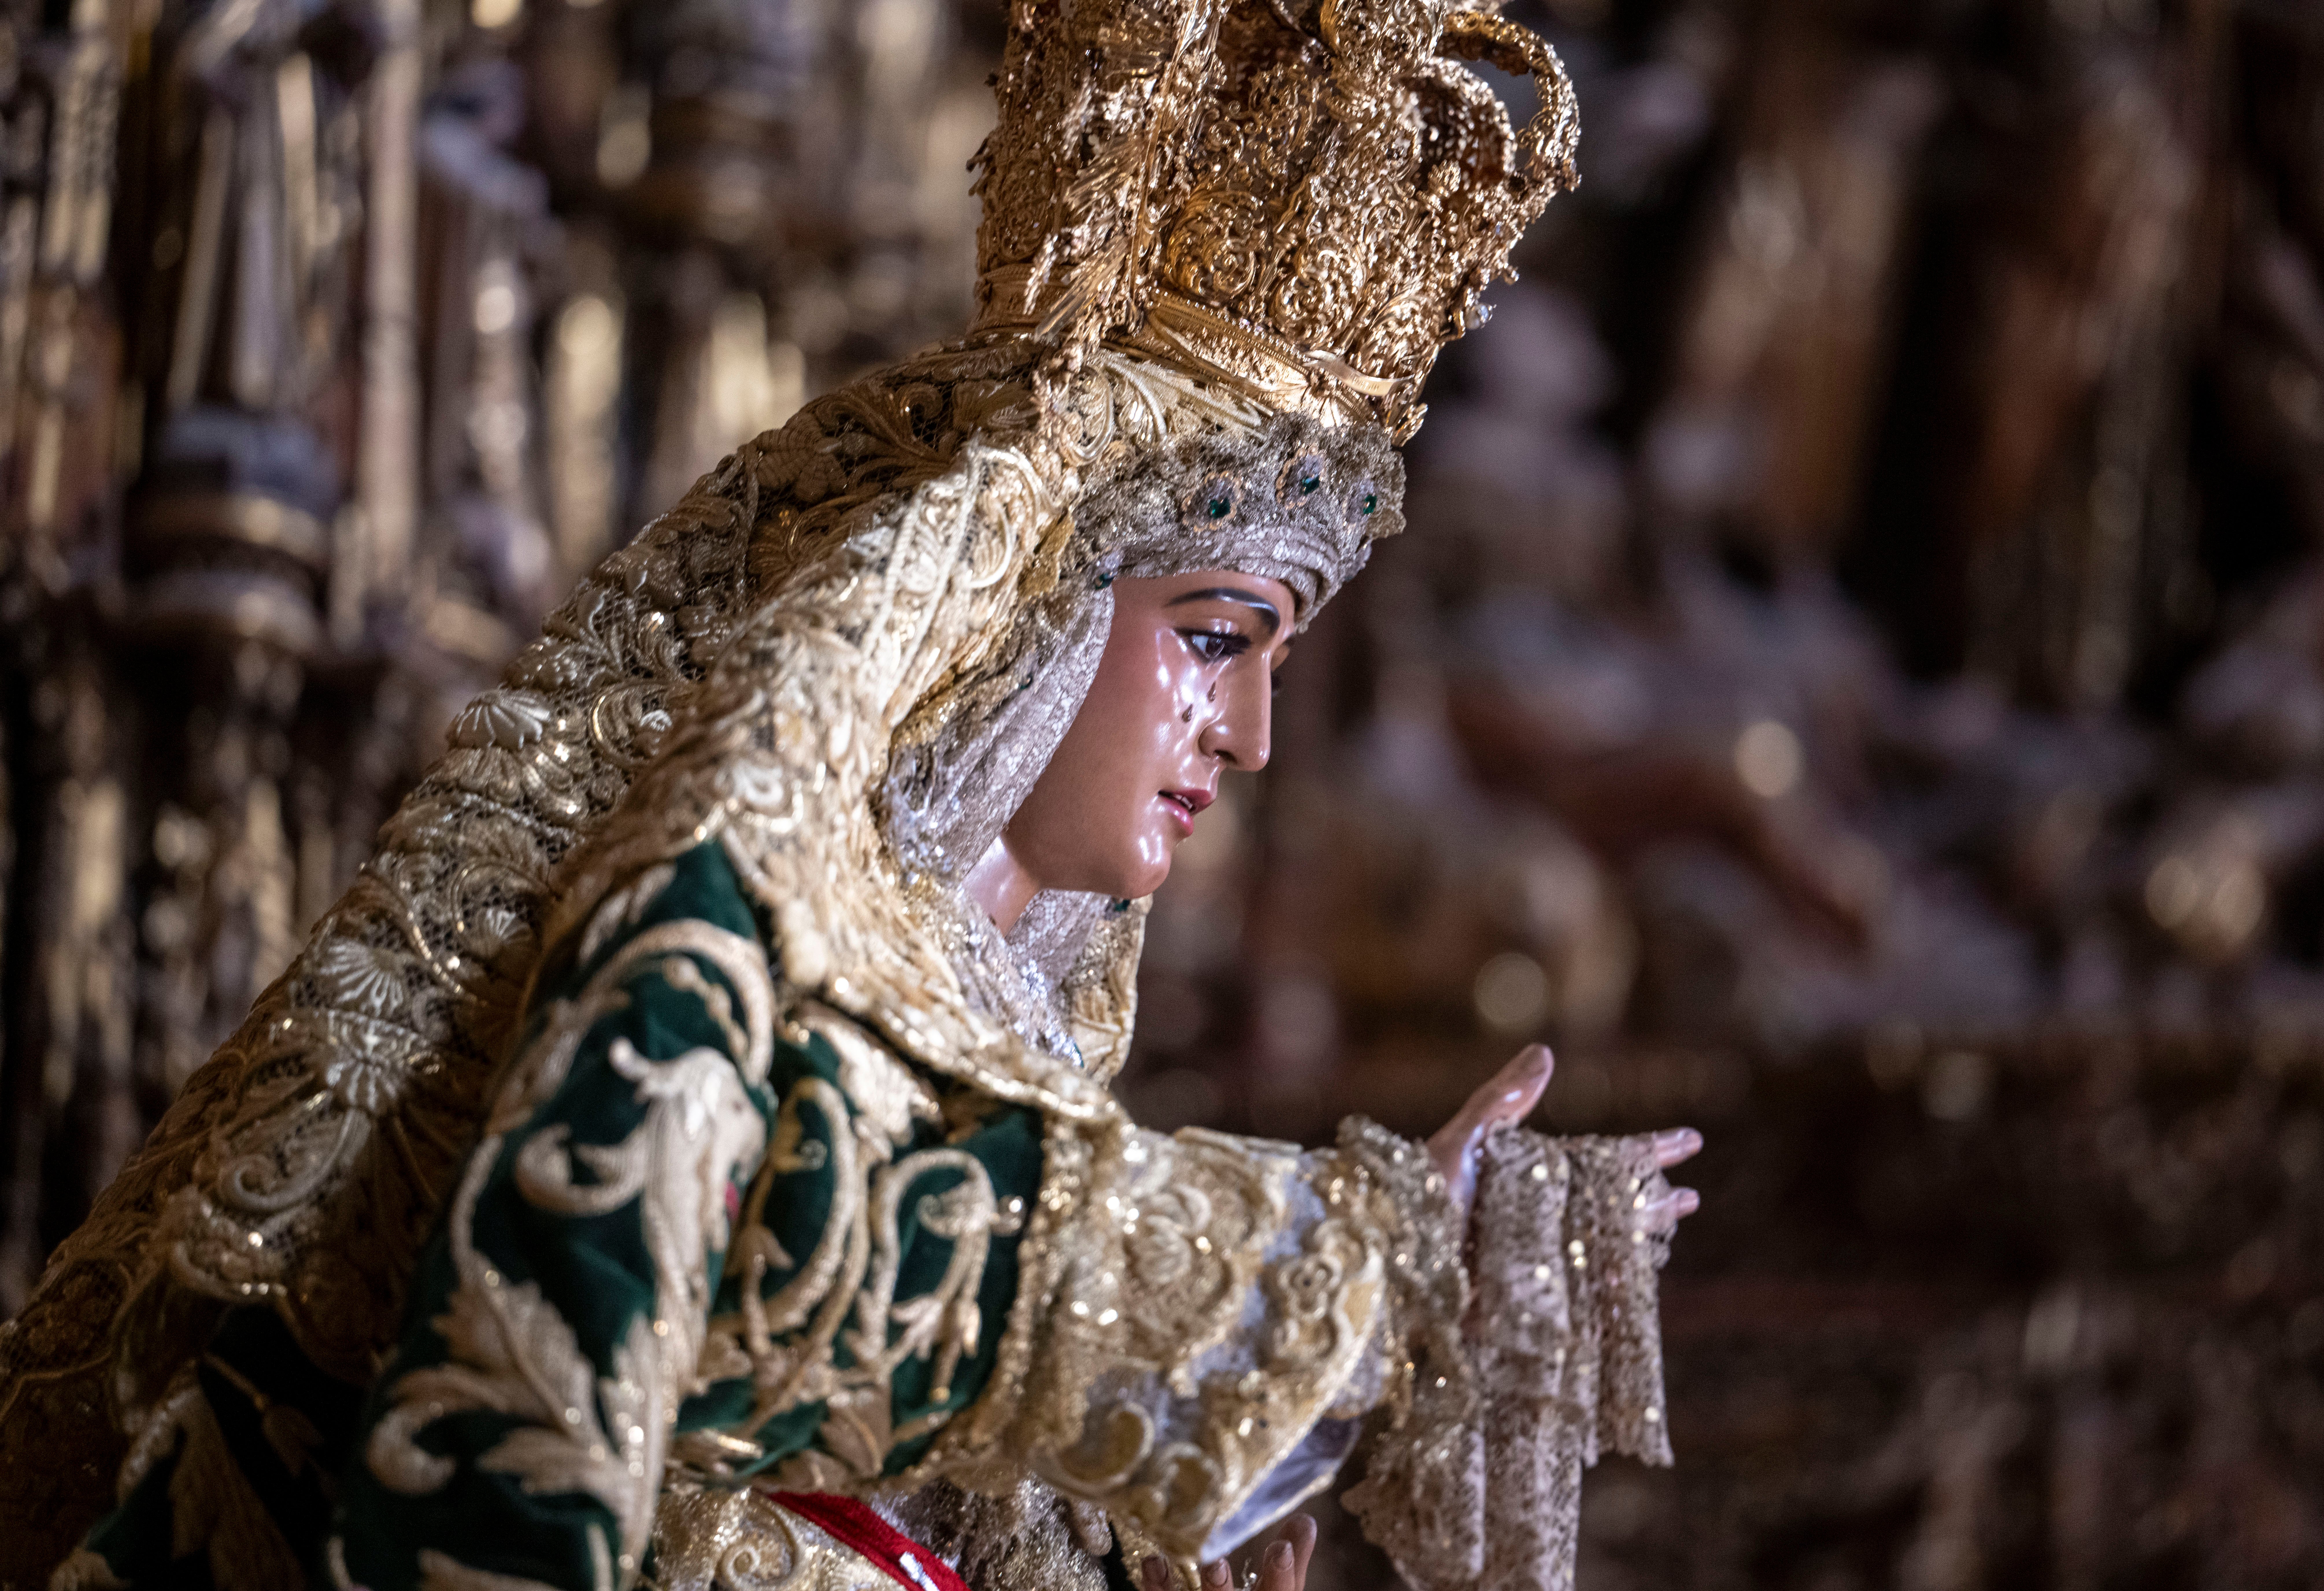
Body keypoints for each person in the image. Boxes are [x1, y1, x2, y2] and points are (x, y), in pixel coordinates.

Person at [3, 0, 1699, 1585]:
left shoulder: (1005, 1030)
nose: (1249, 733)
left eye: (1275, 659)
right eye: (1214, 635)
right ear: (1020, 597)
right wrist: (1324, 1276)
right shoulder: (724, 931)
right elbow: (742, 1243)